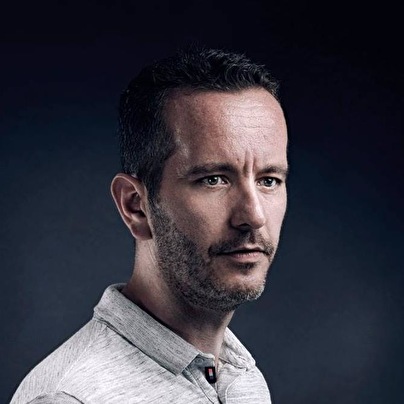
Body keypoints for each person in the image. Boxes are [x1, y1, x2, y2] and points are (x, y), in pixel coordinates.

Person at [11, 46, 288, 403]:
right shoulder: (69, 397)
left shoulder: (239, 375)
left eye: (269, 180)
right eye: (213, 180)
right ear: (136, 206)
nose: (254, 215)